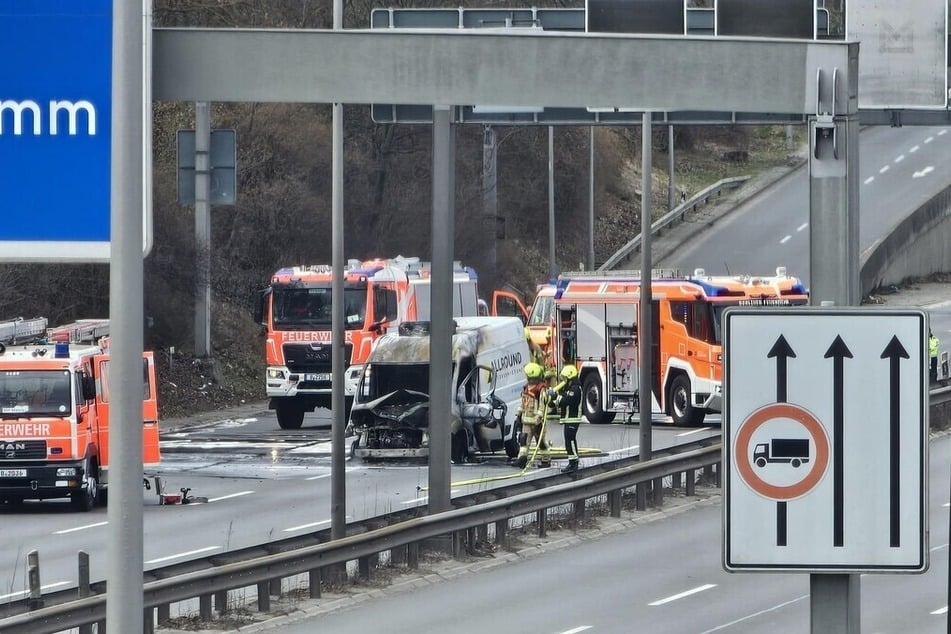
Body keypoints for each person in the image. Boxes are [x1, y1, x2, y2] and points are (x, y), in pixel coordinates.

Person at [516, 362, 551, 469]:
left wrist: (539, 418)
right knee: (523, 441)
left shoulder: (540, 389)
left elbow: (542, 405)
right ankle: (522, 459)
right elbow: (523, 402)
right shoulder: (526, 388)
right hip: (526, 421)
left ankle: (546, 460)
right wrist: (518, 414)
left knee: (541, 442)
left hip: (537, 422)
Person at [550, 364, 583, 473]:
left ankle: (574, 463)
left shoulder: (575, 389)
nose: (563, 380)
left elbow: (567, 400)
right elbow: (562, 400)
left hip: (573, 419)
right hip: (568, 419)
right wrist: (551, 402)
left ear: (570, 377)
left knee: (570, 440)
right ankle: (572, 461)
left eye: (565, 378)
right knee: (568, 440)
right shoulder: (570, 388)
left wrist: (555, 397)